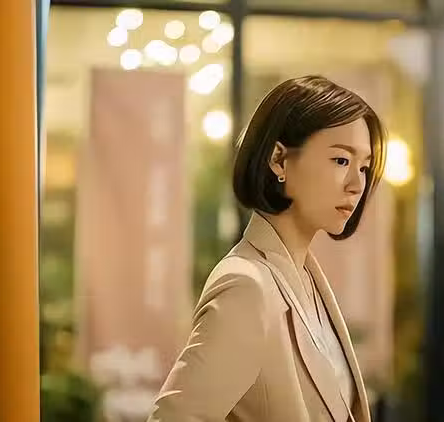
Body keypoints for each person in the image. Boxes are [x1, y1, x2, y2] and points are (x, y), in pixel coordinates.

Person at [147, 75, 387, 422]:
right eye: (340, 161)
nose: (356, 185)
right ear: (279, 160)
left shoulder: (306, 280)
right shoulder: (248, 286)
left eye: (363, 167)